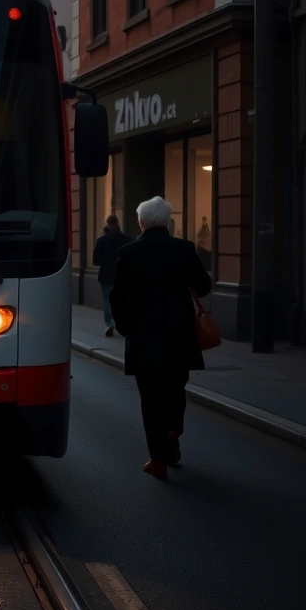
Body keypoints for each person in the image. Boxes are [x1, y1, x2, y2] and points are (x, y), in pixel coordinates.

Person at [109, 196, 213, 479]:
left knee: (150, 399)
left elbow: (117, 296)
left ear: (141, 222)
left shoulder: (128, 252)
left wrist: (125, 326)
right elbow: (203, 286)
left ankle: (158, 461)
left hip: (144, 338)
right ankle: (172, 431)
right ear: (167, 221)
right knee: (176, 389)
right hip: (179, 336)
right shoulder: (184, 249)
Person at [92, 214, 132, 337]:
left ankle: (110, 323)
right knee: (124, 299)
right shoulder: (127, 240)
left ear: (107, 224)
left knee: (108, 300)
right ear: (118, 223)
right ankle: (124, 323)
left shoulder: (102, 240)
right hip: (123, 275)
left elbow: (95, 261)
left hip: (106, 275)